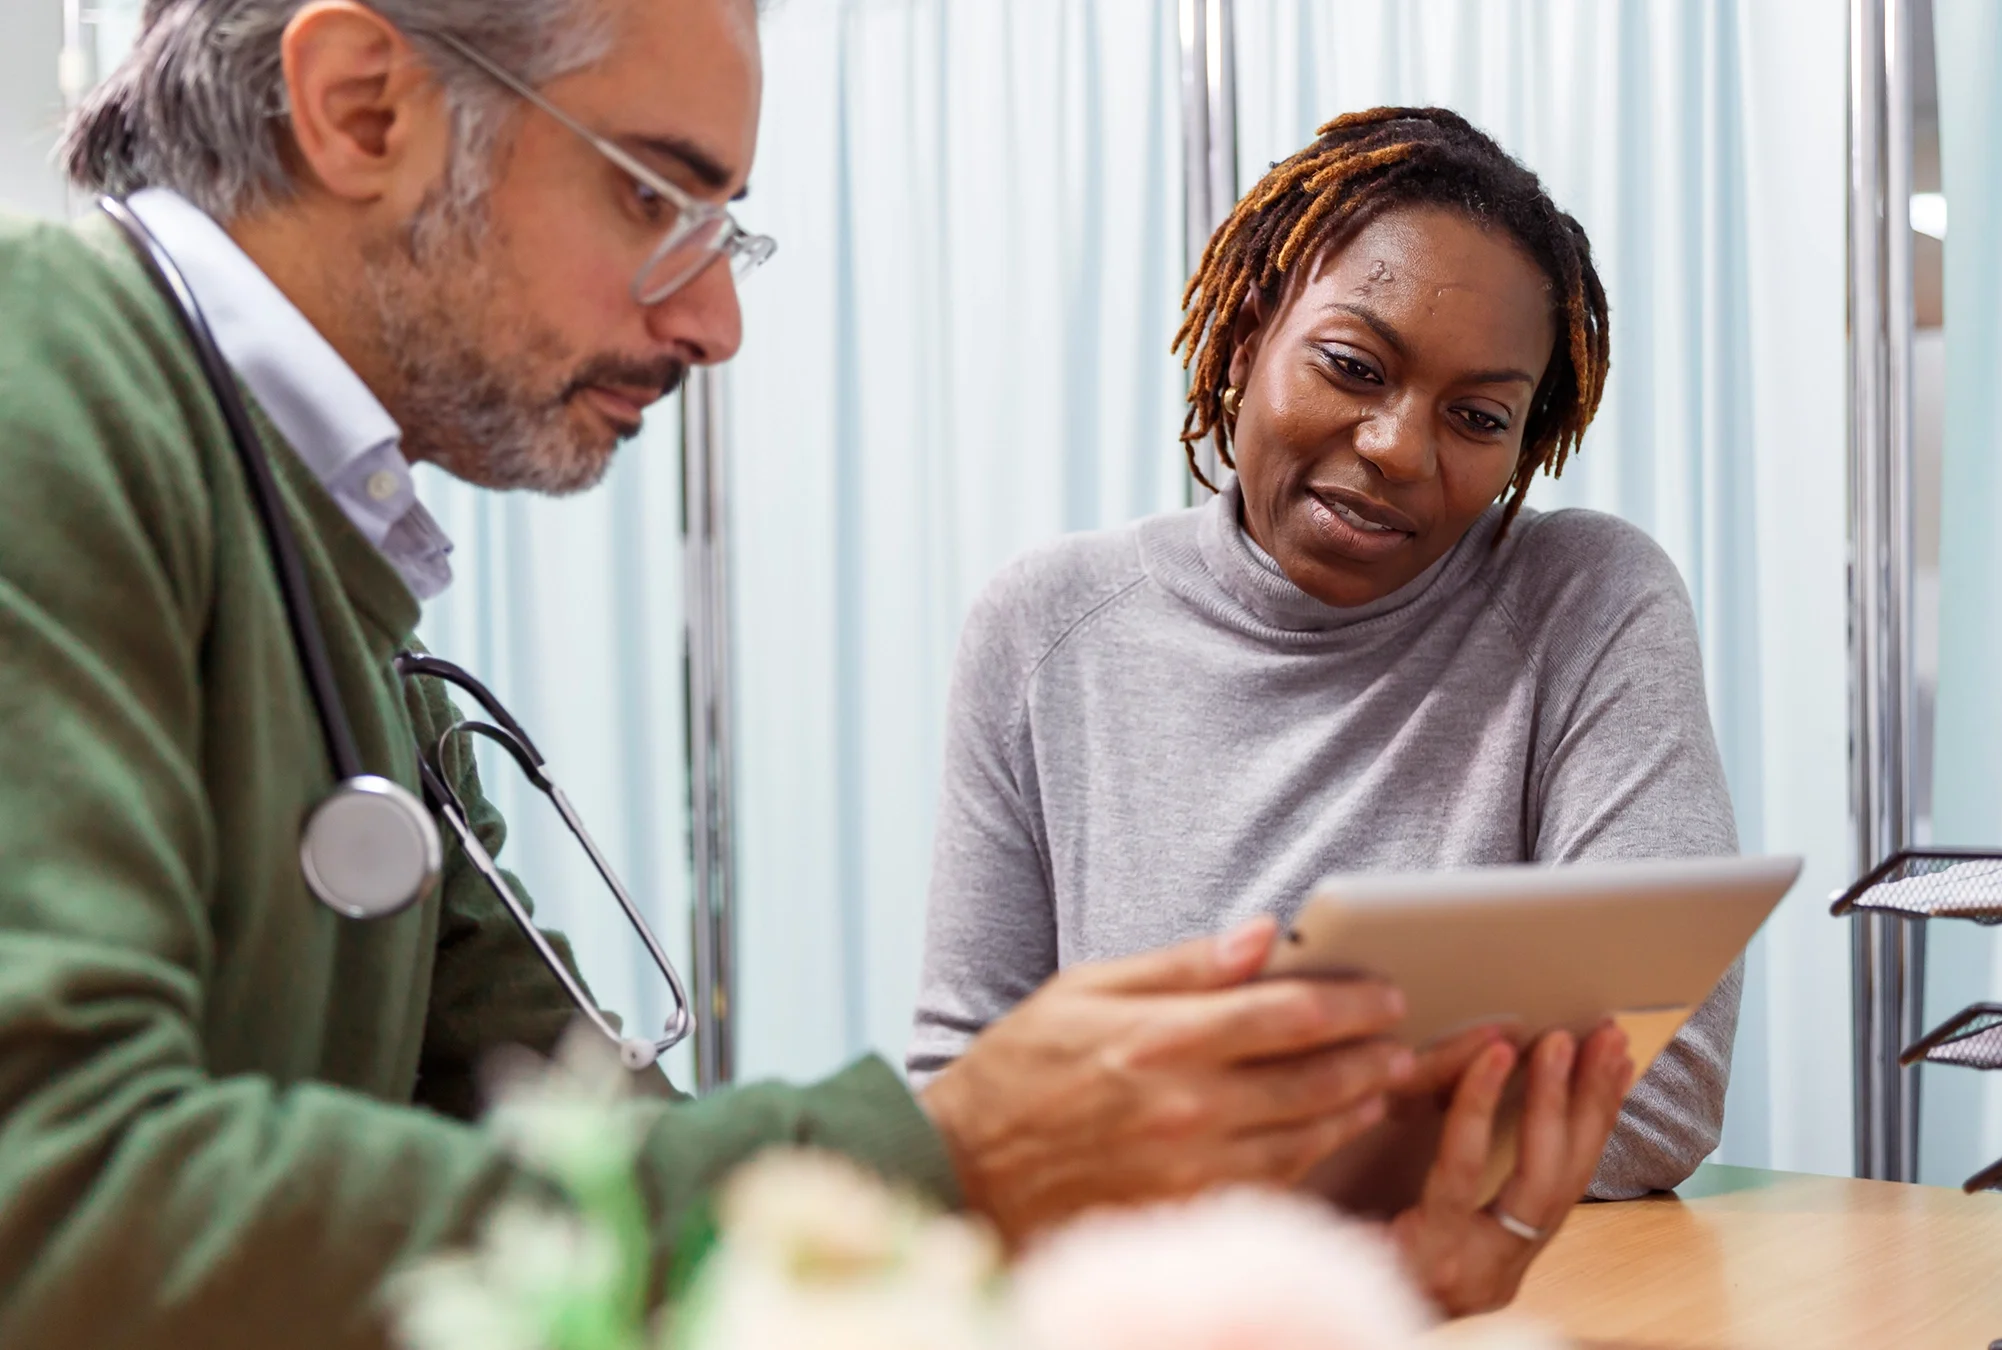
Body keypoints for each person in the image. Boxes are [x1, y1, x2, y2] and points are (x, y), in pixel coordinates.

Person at [0, 6, 1625, 1346]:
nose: (716, 320)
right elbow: (54, 1203)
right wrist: (952, 1153)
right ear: (362, 107)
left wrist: (1306, 1302)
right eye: (660, 199)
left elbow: (610, 1189)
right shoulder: (45, 393)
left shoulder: (327, 571)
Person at [910, 107, 1744, 1306]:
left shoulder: (1589, 603)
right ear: (1249, 336)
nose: (1400, 447)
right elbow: (966, 1108)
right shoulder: (1044, 627)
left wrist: (1157, 1141)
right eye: (1354, 365)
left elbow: (1654, 1097)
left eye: (1478, 417)